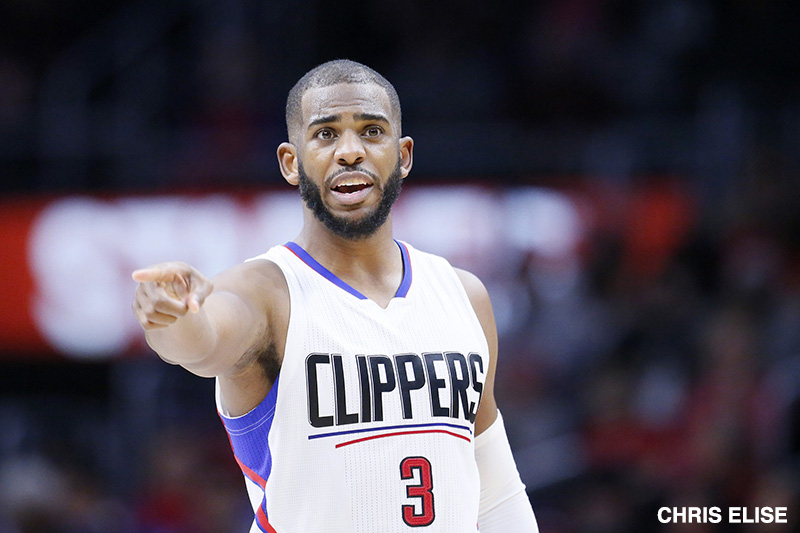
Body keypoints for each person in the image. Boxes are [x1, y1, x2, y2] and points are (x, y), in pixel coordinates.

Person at [132, 59, 538, 533]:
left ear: (403, 154)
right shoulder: (265, 291)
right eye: (326, 134)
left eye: (371, 131)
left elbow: (496, 492)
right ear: (291, 162)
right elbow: (200, 345)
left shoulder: (465, 296)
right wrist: (173, 319)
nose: (350, 151)